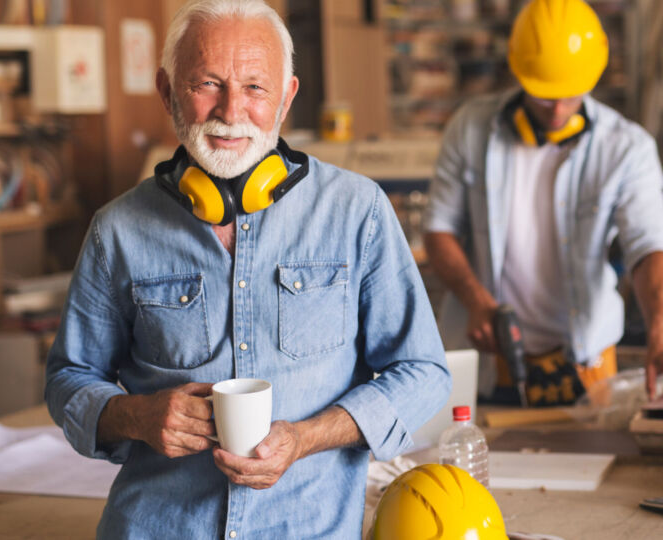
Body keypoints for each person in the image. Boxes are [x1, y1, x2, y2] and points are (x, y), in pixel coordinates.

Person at [44, 1, 450, 537]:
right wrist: (136, 415)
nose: (231, 111)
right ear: (167, 92)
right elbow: (68, 380)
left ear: (286, 97)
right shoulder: (116, 229)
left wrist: (307, 437)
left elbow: (422, 373)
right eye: (207, 84)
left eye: (256, 88)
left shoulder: (358, 212)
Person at [424, 0, 663, 406]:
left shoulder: (627, 148)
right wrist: (476, 300)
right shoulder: (470, 128)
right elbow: (439, 228)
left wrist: (662, 341)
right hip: (492, 361)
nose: (559, 111)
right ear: (518, 70)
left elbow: (649, 247)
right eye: (544, 97)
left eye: (571, 96)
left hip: (587, 363)